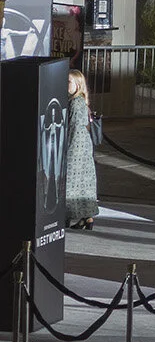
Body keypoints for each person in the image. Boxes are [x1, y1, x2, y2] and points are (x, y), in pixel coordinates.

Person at [63, 69, 98, 232]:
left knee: (69, 183)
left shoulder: (75, 103)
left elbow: (75, 129)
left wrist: (69, 152)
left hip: (76, 147)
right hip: (83, 147)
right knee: (84, 184)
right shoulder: (81, 101)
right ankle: (87, 218)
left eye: (69, 82)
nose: (65, 84)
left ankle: (65, 216)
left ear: (78, 84)